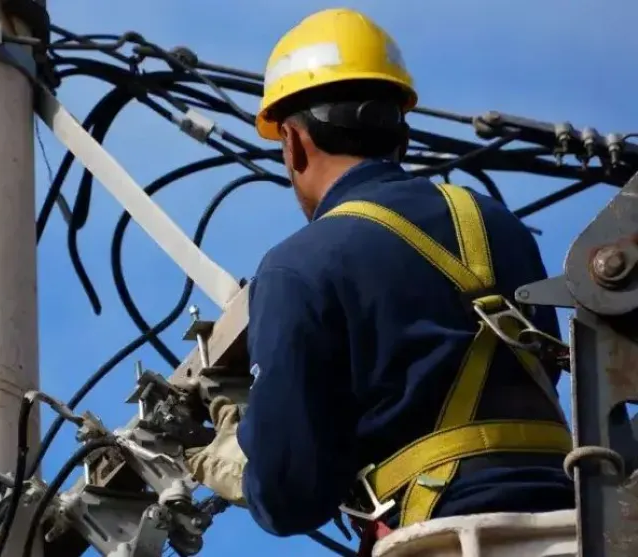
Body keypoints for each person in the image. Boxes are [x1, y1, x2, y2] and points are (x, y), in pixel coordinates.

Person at [184, 8, 575, 556]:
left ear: (293, 143)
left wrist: (245, 461)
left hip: (442, 541)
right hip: (577, 529)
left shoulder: (298, 265)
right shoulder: (498, 227)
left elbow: (291, 496)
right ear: (402, 134)